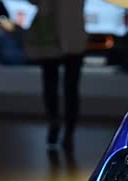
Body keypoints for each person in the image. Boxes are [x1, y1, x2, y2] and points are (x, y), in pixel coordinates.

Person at [26, 0, 86, 152]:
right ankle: (63, 128)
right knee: (66, 86)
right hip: (66, 33)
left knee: (56, 84)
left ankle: (59, 125)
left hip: (57, 32)